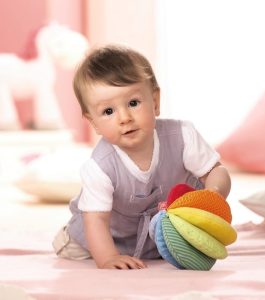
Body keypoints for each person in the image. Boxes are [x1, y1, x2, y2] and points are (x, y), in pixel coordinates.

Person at [52, 45, 231, 270]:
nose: (125, 118)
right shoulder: (100, 167)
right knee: (73, 248)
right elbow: (95, 220)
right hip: (107, 235)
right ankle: (70, 237)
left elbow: (216, 171)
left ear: (155, 102)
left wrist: (212, 195)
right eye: (108, 112)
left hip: (158, 234)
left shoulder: (183, 137)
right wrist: (108, 258)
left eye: (133, 103)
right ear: (93, 123)